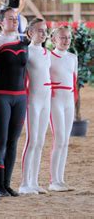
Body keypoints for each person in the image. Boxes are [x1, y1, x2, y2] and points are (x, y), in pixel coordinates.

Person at [0, 7, 28, 197]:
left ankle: (7, 183)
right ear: (0, 22)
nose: (14, 21)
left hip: (20, 97)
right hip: (1, 96)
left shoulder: (23, 41)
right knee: (1, 140)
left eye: (15, 19)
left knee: (13, 141)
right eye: (10, 19)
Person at [19, 18, 50, 195]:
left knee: (40, 141)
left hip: (46, 100)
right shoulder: (26, 52)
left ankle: (34, 181)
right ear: (30, 33)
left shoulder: (46, 52)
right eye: (39, 30)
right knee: (32, 140)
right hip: (33, 100)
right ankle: (24, 183)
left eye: (45, 30)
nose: (43, 33)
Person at [49, 26, 77, 192]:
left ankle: (61, 178)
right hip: (55, 100)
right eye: (62, 38)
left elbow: (74, 80)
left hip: (68, 101)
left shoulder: (73, 57)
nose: (66, 41)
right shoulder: (49, 57)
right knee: (58, 139)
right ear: (54, 40)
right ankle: (53, 180)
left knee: (65, 141)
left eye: (68, 38)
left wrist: (73, 101)